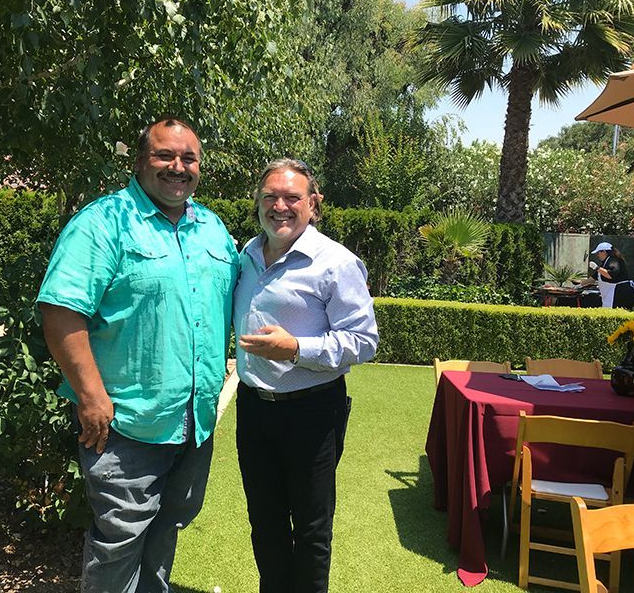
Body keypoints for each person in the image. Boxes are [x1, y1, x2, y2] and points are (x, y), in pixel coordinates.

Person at [37, 116, 239, 593]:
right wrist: (90, 397)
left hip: (193, 423)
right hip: (126, 424)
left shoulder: (210, 227)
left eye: (188, 158)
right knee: (119, 541)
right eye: (164, 155)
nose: (177, 167)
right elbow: (61, 312)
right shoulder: (104, 222)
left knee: (167, 528)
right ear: (139, 161)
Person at [233, 158, 379, 593]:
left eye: (292, 197)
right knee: (265, 522)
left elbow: (364, 341)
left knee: (313, 529)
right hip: (253, 409)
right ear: (257, 202)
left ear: (313, 204)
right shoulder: (247, 255)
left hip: (312, 412)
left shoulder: (335, 263)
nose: (280, 206)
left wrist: (295, 349)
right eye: (270, 197)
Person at [589, 242, 634, 309]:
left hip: (621, 293)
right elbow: (591, 279)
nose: (597, 255)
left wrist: (596, 268)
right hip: (612, 295)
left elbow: (610, 275)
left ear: (604, 252)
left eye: (598, 253)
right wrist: (578, 284)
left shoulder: (614, 261)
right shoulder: (604, 265)